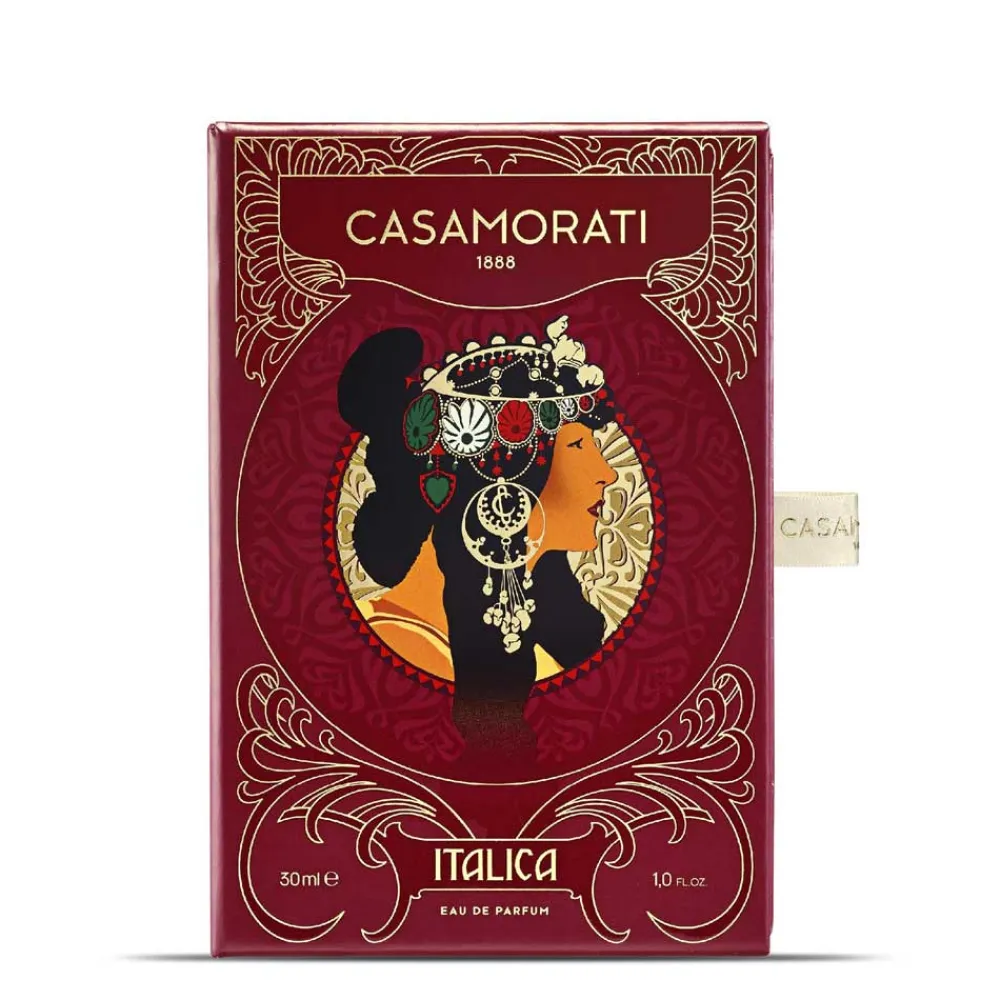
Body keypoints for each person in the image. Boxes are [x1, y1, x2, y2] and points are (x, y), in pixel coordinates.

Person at [338, 316, 617, 763]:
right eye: (579, 447)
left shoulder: (537, 648)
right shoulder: (402, 640)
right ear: (503, 481)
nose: (607, 474)